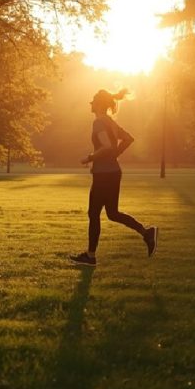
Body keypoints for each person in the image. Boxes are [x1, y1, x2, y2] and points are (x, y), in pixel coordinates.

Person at [69, 89, 157, 267]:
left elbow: (107, 145)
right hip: (114, 172)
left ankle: (90, 256)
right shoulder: (110, 122)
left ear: (99, 104)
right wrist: (115, 154)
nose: (90, 103)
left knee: (94, 213)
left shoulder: (99, 123)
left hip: (103, 174)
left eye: (93, 100)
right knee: (112, 213)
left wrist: (90, 158)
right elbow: (128, 139)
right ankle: (146, 233)